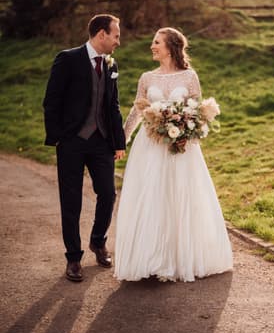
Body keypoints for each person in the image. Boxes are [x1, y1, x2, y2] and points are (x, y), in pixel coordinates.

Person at [114, 27, 233, 282]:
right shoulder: (146, 78)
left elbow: (199, 113)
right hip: (150, 147)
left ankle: (182, 258)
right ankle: (152, 259)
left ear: (171, 46)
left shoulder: (189, 76)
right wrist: (122, 138)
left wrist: (184, 128)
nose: (152, 46)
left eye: (156, 42)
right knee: (152, 197)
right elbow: (137, 111)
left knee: (181, 196)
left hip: (181, 148)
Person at [43, 14, 126, 282]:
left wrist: (119, 142)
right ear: (101, 34)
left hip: (102, 141)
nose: (118, 41)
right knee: (71, 201)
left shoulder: (111, 64)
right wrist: (58, 137)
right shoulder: (68, 59)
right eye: (116, 35)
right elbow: (51, 100)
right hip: (72, 142)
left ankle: (97, 241)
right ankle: (74, 258)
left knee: (108, 193)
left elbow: (112, 105)